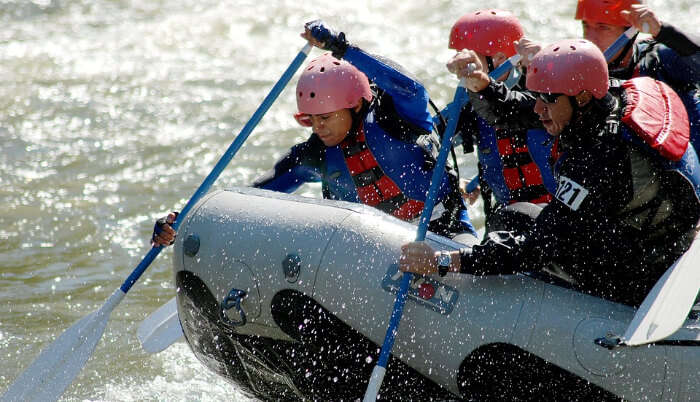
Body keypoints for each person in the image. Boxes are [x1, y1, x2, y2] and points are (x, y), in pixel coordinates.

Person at [400, 39, 700, 306]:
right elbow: (523, 110)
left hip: (642, 275)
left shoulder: (597, 159)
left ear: (580, 97)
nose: (540, 109)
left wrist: (443, 261)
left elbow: (535, 249)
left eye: (548, 99)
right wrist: (483, 85)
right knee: (514, 214)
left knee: (513, 223)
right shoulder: (615, 94)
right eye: (539, 97)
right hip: (661, 240)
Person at [152, 20, 478, 248]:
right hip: (378, 251)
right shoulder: (315, 155)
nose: (318, 127)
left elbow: (408, 84)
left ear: (354, 106)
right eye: (310, 119)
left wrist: (341, 47)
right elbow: (250, 198)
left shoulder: (400, 118)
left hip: (443, 233)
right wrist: (185, 222)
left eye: (325, 117)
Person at [442, 9, 557, 234]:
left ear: (500, 60)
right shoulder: (471, 104)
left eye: (472, 61)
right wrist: (455, 180)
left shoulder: (546, 96)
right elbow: (430, 136)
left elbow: (507, 109)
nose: (463, 69)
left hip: (556, 219)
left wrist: (546, 69)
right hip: (509, 223)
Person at [575, 0, 700, 150]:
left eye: (603, 27)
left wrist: (662, 31)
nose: (590, 38)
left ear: (630, 31)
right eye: (586, 26)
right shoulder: (578, 73)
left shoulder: (660, 60)